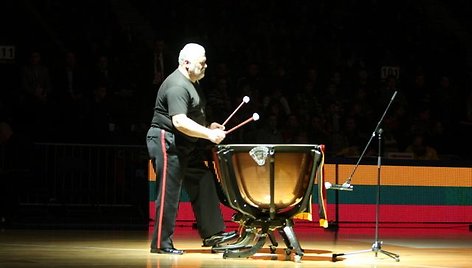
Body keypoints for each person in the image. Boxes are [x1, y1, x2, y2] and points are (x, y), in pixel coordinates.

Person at [146, 43, 237, 255]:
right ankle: (160, 243)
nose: (206, 66)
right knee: (169, 192)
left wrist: (207, 127)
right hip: (167, 140)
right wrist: (209, 135)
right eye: (201, 63)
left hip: (184, 143)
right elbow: (179, 121)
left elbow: (190, 118)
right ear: (186, 63)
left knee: (203, 179)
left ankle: (213, 233)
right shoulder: (178, 85)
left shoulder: (192, 82)